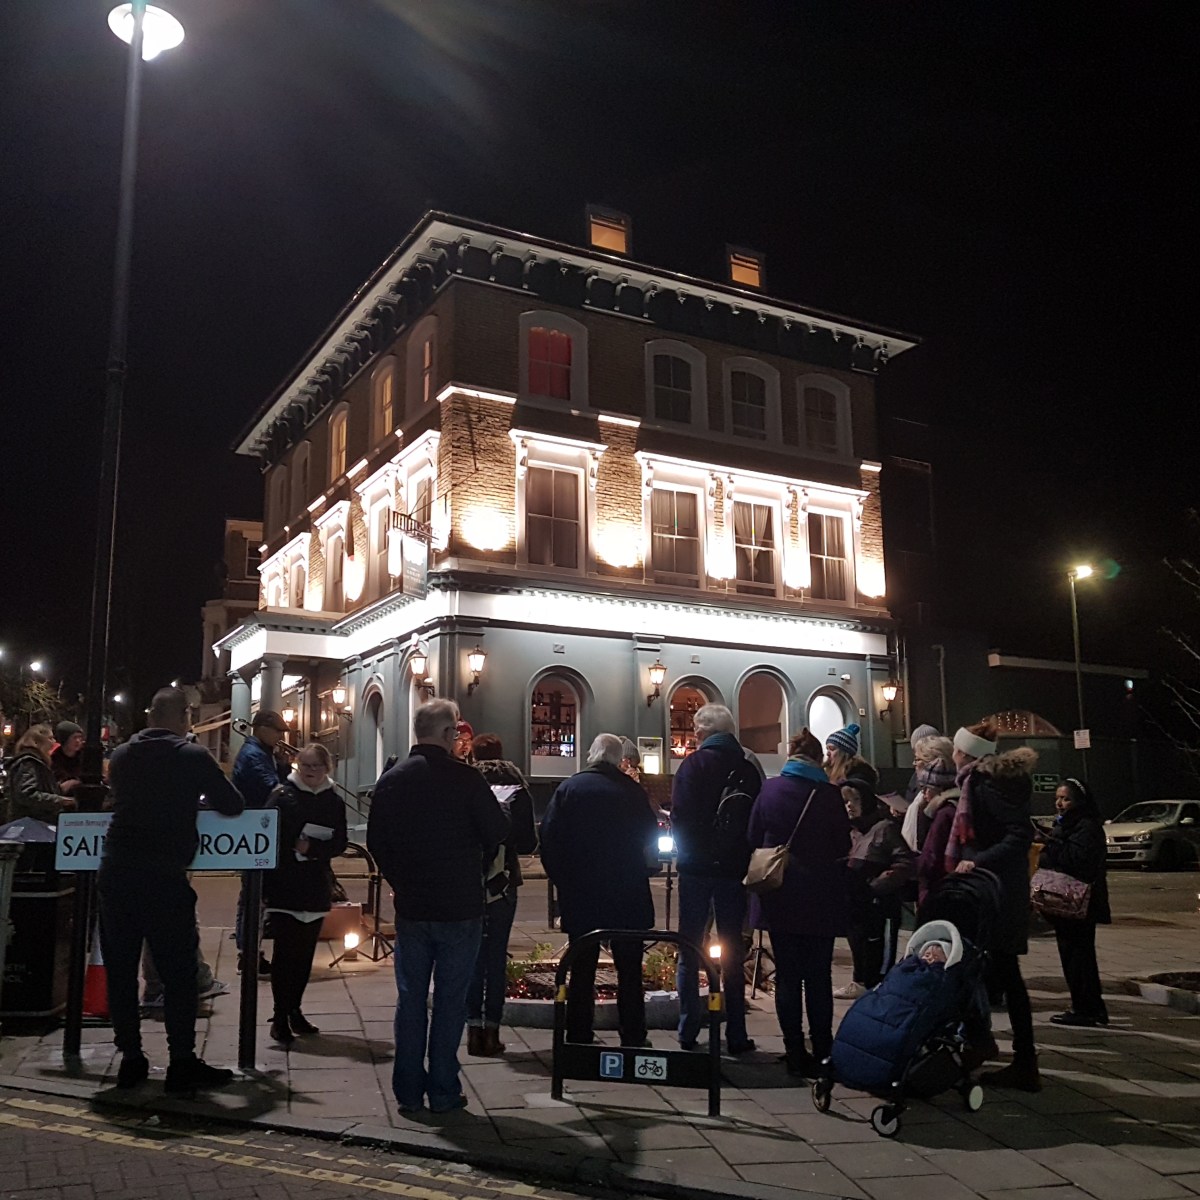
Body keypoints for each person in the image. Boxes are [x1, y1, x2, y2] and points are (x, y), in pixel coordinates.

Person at [97, 687, 244, 1093]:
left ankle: (131, 1059)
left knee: (121, 971)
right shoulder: (191, 755)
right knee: (179, 973)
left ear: (150, 717)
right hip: (163, 875)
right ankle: (181, 1062)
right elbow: (231, 803)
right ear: (183, 718)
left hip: (117, 871)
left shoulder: (121, 756)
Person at [368, 699, 508, 1114]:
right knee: (450, 1001)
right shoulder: (465, 779)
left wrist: (401, 881)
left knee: (410, 999)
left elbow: (377, 843)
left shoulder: (392, 780)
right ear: (448, 734)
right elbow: (496, 831)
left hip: (413, 907)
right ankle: (444, 1090)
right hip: (460, 905)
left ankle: (408, 1091)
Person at [539, 733, 658, 1048]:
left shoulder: (570, 789)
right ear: (618, 759)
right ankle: (633, 1034)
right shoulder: (632, 791)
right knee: (629, 970)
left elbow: (549, 840)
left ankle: (578, 1034)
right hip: (627, 892)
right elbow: (650, 834)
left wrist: (564, 882)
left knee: (582, 968)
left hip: (583, 894)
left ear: (592, 755)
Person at [746, 728, 850, 1077]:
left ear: (790, 757)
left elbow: (752, 835)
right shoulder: (829, 795)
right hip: (821, 895)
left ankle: (793, 1050)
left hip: (780, 894)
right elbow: (842, 844)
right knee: (818, 977)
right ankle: (822, 1050)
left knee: (788, 977)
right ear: (818, 760)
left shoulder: (770, 789)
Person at [944, 721, 1040, 1091]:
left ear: (964, 753)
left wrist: (977, 861)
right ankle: (1003, 1053)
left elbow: (1019, 834)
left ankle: (1019, 1060)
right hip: (999, 891)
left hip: (998, 893)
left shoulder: (984, 785)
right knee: (996, 975)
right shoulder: (981, 782)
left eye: (956, 749)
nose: (952, 755)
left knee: (1002, 976)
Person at [669, 703, 761, 1054]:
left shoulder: (693, 766)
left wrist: (689, 851)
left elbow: (680, 816)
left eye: (696, 729)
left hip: (696, 870)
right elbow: (756, 820)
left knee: (690, 947)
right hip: (733, 872)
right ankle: (736, 1032)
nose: (694, 735)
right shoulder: (746, 768)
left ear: (704, 732)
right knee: (732, 950)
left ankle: (688, 1028)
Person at [263, 742, 349, 1046]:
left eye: (317, 766)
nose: (310, 771)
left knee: (304, 956)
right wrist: (291, 847)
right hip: (285, 886)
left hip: (314, 885)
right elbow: (266, 836)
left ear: (327, 768)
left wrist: (312, 847)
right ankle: (279, 1017)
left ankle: (294, 1010)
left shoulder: (333, 801)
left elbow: (340, 842)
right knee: (285, 955)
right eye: (306, 765)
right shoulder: (282, 796)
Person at [465, 732, 538, 1057]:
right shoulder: (517, 787)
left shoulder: (467, 783)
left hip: (469, 882)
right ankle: (492, 1032)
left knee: (472, 957)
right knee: (495, 957)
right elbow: (528, 842)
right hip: (503, 882)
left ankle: (472, 1031)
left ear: (473, 754)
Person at [1040, 777, 1110, 1027]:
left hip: (1080, 902)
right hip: (1069, 903)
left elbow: (1077, 859)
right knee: (1073, 955)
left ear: (1079, 801)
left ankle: (1087, 1009)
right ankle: (1085, 1006)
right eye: (1058, 798)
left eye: (1066, 799)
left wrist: (1050, 846)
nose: (1059, 803)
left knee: (1079, 956)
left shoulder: (1086, 827)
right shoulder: (1067, 824)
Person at [838, 776, 916, 997]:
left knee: (878, 948)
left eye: (855, 800)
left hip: (880, 904)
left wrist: (876, 886)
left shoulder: (885, 828)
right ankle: (860, 980)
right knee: (857, 942)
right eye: (845, 801)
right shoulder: (851, 831)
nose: (850, 806)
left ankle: (876, 986)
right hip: (856, 902)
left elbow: (904, 862)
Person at [231, 708, 290, 974]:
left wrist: (282, 765)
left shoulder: (262, 753)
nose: (280, 737)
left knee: (254, 894)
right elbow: (273, 788)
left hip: (258, 830)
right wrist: (284, 772)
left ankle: (250, 951)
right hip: (256, 831)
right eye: (277, 732)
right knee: (254, 895)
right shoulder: (254, 755)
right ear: (263, 729)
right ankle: (249, 953)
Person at [3, 725, 74, 824]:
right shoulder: (29, 762)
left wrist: (59, 788)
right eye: (50, 738)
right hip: (30, 822)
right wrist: (60, 800)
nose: (54, 742)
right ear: (37, 741)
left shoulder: (36, 761)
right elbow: (26, 794)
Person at [905, 735, 957, 853]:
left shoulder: (947, 810)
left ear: (933, 763)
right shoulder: (921, 795)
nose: (913, 763)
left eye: (917, 759)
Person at [824, 723, 878, 787]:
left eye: (832, 749)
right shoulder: (829, 773)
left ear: (844, 753)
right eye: (827, 749)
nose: (827, 754)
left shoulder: (858, 776)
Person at [50, 720, 85, 798]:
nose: (78, 741)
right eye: (74, 737)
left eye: (80, 737)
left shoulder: (85, 758)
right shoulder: (54, 760)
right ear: (65, 739)